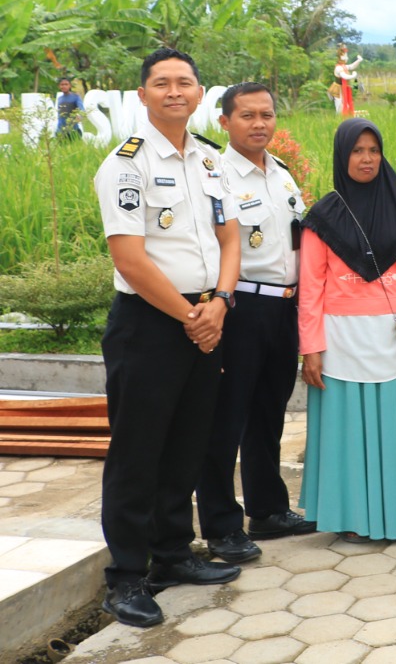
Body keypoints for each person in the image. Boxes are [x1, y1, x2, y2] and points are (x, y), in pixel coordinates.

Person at [93, 47, 241, 627]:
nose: (174, 91)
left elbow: (230, 238)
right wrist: (191, 316)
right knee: (138, 451)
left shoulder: (209, 160)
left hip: (206, 316)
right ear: (143, 95)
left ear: (200, 93)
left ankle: (173, 555)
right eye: (162, 83)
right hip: (150, 325)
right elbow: (130, 259)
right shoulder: (125, 165)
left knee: (187, 443)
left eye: (184, 82)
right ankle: (126, 577)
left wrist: (220, 303)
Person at [298, 119, 396, 541]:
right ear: (342, 156)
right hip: (340, 340)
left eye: (374, 150)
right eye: (357, 151)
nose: (367, 159)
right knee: (348, 435)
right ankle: (352, 519)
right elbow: (310, 288)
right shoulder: (323, 217)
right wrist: (310, 347)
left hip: (395, 338)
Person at [196, 84, 316, 566]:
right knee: (225, 419)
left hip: (284, 307)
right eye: (247, 116)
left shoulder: (281, 173)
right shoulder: (215, 176)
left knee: (269, 412)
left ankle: (267, 510)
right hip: (240, 306)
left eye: (267, 114)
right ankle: (221, 526)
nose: (259, 124)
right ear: (225, 122)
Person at [333, 44, 362, 118]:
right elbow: (344, 76)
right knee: (340, 105)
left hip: (344, 87)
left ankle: (347, 116)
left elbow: (352, 66)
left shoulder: (344, 66)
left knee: (346, 104)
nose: (346, 58)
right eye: (344, 56)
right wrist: (353, 76)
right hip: (338, 89)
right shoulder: (338, 68)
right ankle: (339, 118)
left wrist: (358, 61)